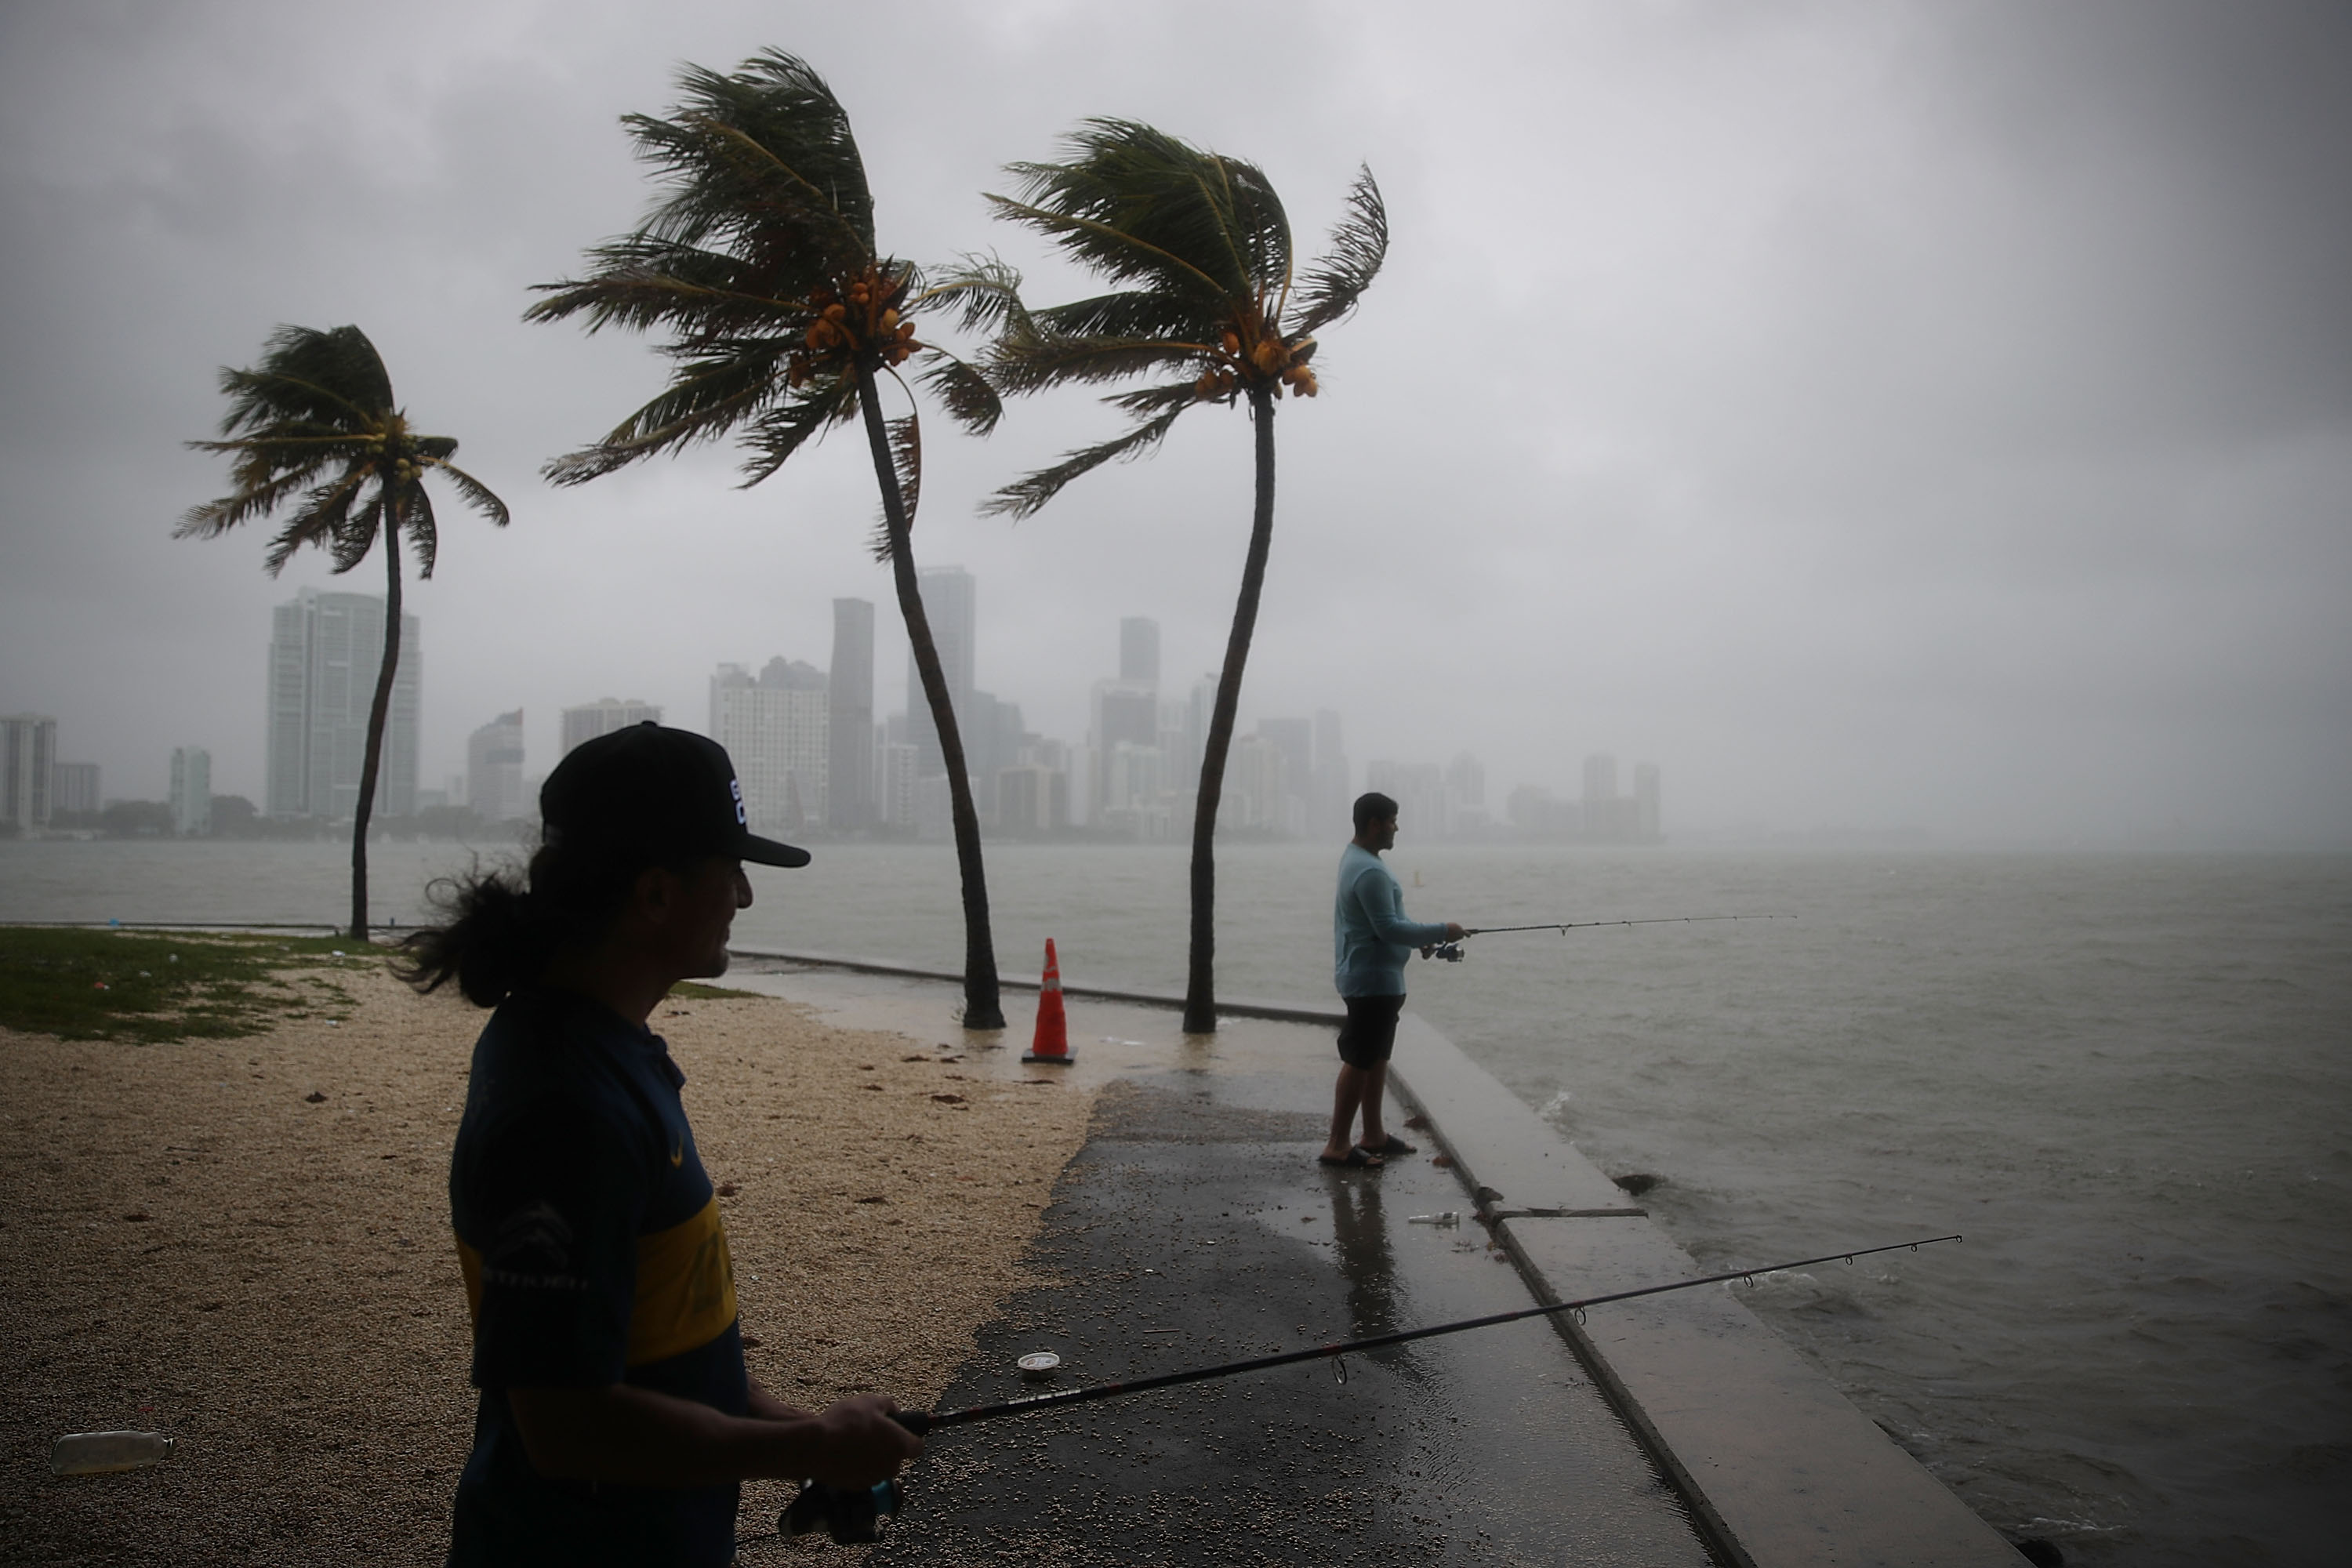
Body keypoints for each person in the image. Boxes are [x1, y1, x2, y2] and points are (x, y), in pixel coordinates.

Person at [399, 722, 919, 1566]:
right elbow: (566, 1424)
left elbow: (654, 1348)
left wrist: (806, 1428)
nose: (746, 896)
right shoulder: (565, 1108)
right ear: (654, 894)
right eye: (731, 869)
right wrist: (808, 1450)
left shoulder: (595, 1044)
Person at [1324, 791, 1463, 1169]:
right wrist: (1442, 929)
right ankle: (1337, 1144)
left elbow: (1381, 926)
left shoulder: (1358, 859)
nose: (1396, 828)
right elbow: (1387, 928)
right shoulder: (1369, 870)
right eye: (1392, 821)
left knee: (1377, 1056)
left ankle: (1373, 1135)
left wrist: (1422, 939)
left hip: (1378, 978)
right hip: (1371, 982)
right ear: (1375, 824)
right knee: (1359, 1059)